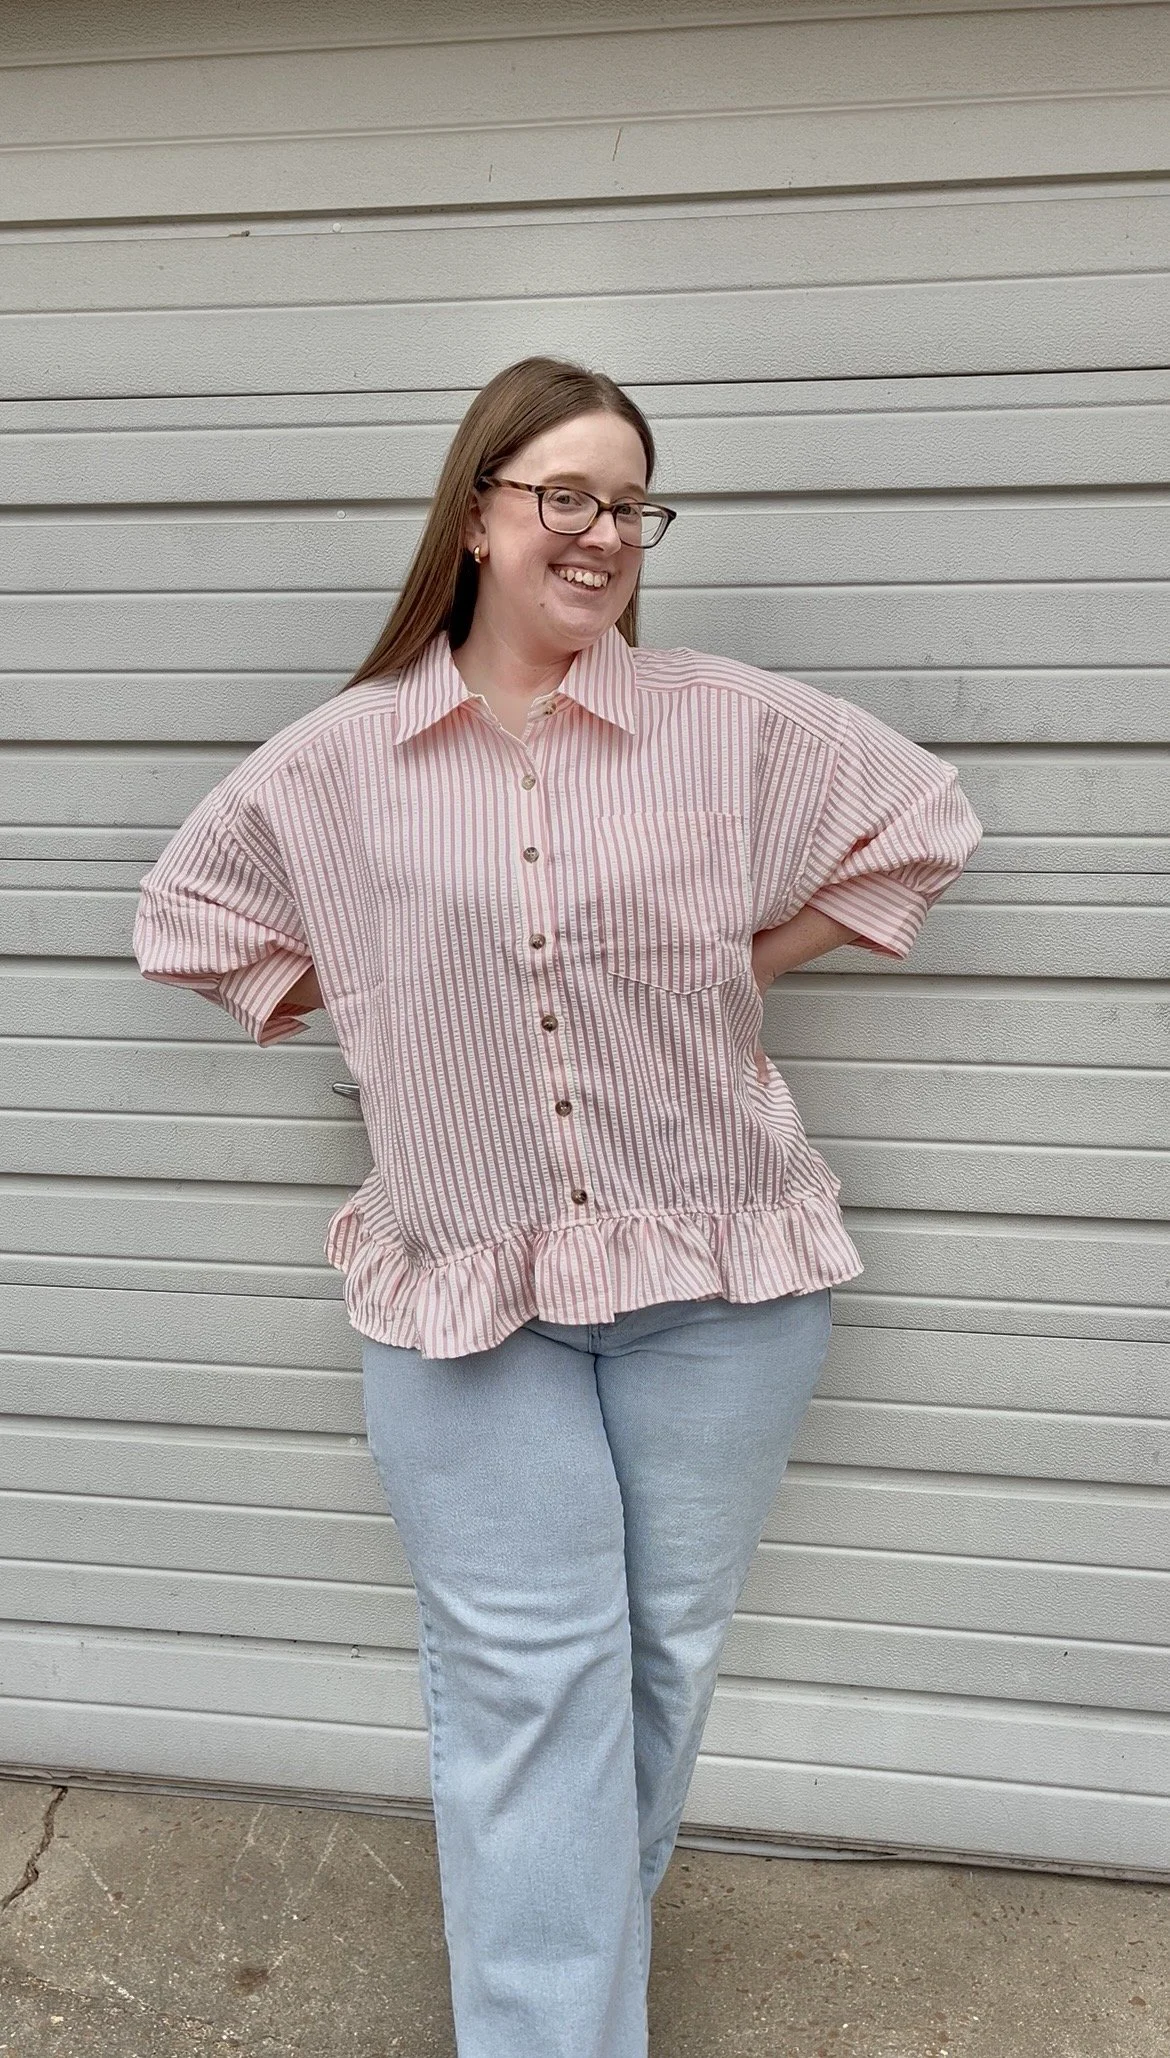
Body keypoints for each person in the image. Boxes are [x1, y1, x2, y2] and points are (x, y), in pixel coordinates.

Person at [132, 355, 983, 2058]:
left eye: (631, 504)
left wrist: (743, 962)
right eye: (564, 496)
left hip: (723, 1273)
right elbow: (189, 919)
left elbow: (921, 820)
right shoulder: (339, 762)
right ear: (478, 513)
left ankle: (568, 1970)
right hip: (465, 1292)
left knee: (652, 1673)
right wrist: (377, 996)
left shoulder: (726, 723)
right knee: (532, 1696)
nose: (601, 535)